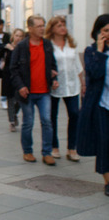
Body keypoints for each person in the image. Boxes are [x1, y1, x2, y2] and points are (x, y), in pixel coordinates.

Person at [10, 14, 59, 165]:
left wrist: (54, 78)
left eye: (43, 25)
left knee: (47, 121)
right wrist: (21, 86)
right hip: (28, 92)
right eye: (39, 26)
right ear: (30, 28)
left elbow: (53, 65)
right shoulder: (22, 47)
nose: (42, 28)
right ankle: (28, 151)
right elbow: (13, 69)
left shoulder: (47, 45)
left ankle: (47, 153)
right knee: (28, 122)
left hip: (44, 91)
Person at [77, 14, 109, 194]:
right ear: (98, 32)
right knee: (104, 143)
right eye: (106, 30)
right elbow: (95, 73)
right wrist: (100, 51)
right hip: (102, 105)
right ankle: (108, 181)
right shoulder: (91, 52)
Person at [46, 15, 84, 161]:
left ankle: (72, 148)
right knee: (52, 117)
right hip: (55, 86)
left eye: (64, 25)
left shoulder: (71, 44)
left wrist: (83, 83)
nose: (63, 28)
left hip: (72, 85)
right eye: (59, 25)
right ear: (52, 29)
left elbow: (77, 65)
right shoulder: (48, 45)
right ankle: (54, 146)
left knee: (74, 114)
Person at [0, 28, 25, 132]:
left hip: (20, 77)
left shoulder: (24, 48)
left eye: (20, 36)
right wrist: (0, 72)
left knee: (20, 99)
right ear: (13, 36)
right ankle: (11, 122)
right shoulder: (7, 47)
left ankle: (14, 114)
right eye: (17, 35)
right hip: (8, 77)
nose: (18, 38)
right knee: (10, 99)